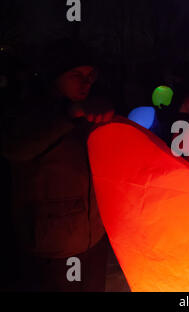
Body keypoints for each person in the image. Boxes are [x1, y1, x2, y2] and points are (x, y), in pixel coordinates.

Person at [1, 39, 114, 291]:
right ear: (54, 75)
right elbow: (15, 147)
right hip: (49, 249)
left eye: (90, 75)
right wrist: (67, 115)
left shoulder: (89, 112)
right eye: (76, 74)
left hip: (92, 239)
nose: (86, 83)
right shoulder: (26, 109)